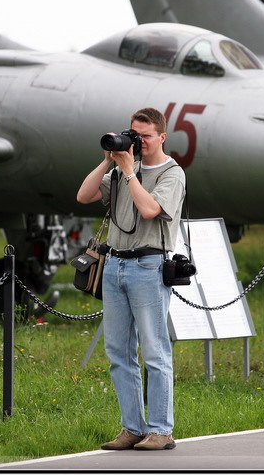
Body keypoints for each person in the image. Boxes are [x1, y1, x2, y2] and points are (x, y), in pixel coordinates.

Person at [76, 107, 186, 450]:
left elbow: (150, 210)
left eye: (145, 136)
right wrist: (109, 161)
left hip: (148, 266)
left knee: (154, 351)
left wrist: (129, 173)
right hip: (114, 265)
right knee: (118, 352)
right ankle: (132, 428)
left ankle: (161, 430)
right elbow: (84, 195)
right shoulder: (125, 169)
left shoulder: (172, 173)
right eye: (134, 135)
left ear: (162, 137)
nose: (138, 141)